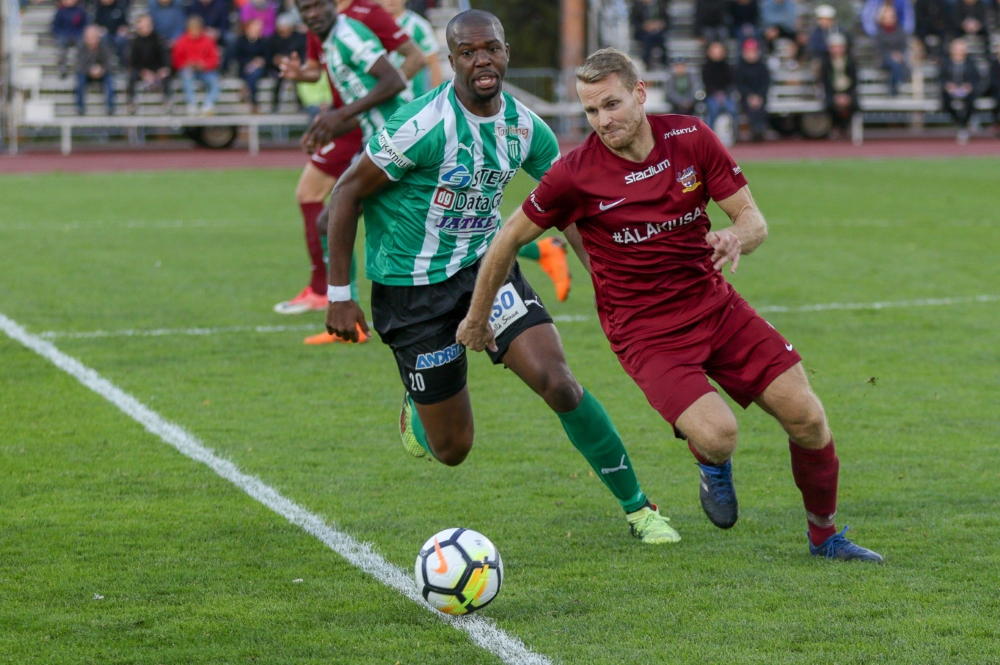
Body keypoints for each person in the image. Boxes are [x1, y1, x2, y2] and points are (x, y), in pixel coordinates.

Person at [456, 47, 884, 563]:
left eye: (611, 104)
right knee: (721, 435)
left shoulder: (690, 138)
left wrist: (736, 237)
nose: (602, 121)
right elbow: (507, 239)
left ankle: (825, 538)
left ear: (640, 94)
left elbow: (753, 220)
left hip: (716, 307)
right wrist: (477, 319)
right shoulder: (574, 174)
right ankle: (711, 460)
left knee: (808, 417)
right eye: (590, 111)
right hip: (645, 332)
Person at [322, 10, 679, 545]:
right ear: (452, 61)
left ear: (506, 53)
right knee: (453, 449)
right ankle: (418, 407)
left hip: (485, 272)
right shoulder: (421, 125)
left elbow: (571, 206)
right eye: (467, 53)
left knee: (559, 382)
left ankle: (640, 509)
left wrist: (608, 281)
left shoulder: (526, 128)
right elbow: (347, 191)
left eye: (490, 48)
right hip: (411, 291)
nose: (481, 60)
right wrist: (339, 294)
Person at [270, 0, 424, 330]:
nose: (313, 14)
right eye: (305, 9)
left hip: (396, 140)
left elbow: (393, 81)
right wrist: (327, 129)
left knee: (335, 218)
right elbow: (366, 103)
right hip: (380, 139)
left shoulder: (348, 34)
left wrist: (340, 114)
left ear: (331, 4)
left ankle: (344, 313)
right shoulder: (328, 43)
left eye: (318, 6)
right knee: (423, 222)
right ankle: (347, 315)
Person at [376, 0, 443, 100]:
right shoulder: (371, 25)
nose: (391, 1)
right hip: (381, 100)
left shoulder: (419, 25)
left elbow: (433, 63)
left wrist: (437, 99)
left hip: (413, 99)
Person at [172, 15, 222, 115]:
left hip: (205, 71)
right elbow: (176, 61)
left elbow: (215, 60)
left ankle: (208, 105)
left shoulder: (208, 41)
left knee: (216, 81)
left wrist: (204, 65)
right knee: (186, 75)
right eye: (192, 29)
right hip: (188, 70)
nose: (194, 32)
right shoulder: (181, 41)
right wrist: (187, 64)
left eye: (196, 29)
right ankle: (192, 104)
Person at [127, 13, 173, 113]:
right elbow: (133, 62)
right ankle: (131, 102)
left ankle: (167, 101)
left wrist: (164, 69)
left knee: (166, 76)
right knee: (132, 76)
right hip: (142, 70)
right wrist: (143, 72)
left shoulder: (158, 39)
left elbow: (165, 56)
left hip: (157, 68)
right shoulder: (135, 42)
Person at [940, 37, 982, 144]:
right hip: (950, 92)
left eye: (961, 49)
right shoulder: (946, 62)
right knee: (946, 102)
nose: (958, 51)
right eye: (956, 49)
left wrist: (968, 86)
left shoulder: (971, 63)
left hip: (966, 92)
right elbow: (941, 78)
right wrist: (948, 86)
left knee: (970, 102)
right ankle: (960, 124)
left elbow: (976, 78)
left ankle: (963, 126)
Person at [820, 33, 858, 136]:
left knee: (854, 104)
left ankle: (846, 126)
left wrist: (847, 95)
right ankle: (836, 126)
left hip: (848, 92)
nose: (837, 49)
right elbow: (825, 82)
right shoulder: (826, 62)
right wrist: (835, 95)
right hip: (832, 92)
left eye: (839, 47)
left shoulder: (850, 61)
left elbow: (854, 81)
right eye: (834, 47)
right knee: (829, 104)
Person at [268, 13, 307, 111]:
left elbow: (303, 54)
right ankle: (275, 104)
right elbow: (268, 55)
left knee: (298, 80)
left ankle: (301, 104)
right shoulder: (273, 39)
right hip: (278, 68)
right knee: (278, 79)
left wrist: (294, 61)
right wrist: (275, 60)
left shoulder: (298, 38)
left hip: (296, 66)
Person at [701, 40, 738, 143]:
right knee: (713, 110)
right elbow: (707, 84)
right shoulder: (706, 67)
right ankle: (709, 136)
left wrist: (723, 94)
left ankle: (735, 135)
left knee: (733, 110)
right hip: (711, 95)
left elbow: (730, 83)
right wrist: (715, 94)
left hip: (726, 95)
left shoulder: (727, 67)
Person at [75, 24, 115, 115]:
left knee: (110, 81)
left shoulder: (104, 46)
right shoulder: (81, 47)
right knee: (80, 81)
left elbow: (109, 63)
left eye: (94, 37)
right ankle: (80, 107)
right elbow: (79, 65)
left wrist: (101, 69)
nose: (91, 40)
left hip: (102, 72)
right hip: (86, 73)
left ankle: (110, 107)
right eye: (89, 38)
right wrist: (90, 70)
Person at [734, 38, 769, 141]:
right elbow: (739, 85)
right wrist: (749, 96)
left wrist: (759, 96)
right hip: (745, 97)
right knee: (750, 108)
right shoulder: (739, 68)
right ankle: (755, 129)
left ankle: (760, 128)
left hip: (761, 96)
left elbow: (766, 83)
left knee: (760, 107)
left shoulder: (762, 67)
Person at [235, 18, 271, 112]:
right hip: (244, 67)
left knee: (254, 75)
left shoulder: (263, 42)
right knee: (251, 75)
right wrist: (249, 63)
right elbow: (237, 56)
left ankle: (245, 90)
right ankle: (255, 104)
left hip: (259, 69)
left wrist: (260, 61)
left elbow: (267, 57)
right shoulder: (241, 41)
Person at [875, 4, 911, 96]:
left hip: (899, 58)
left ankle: (894, 89)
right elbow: (880, 49)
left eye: (891, 16)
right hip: (884, 59)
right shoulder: (879, 33)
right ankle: (897, 86)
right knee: (894, 64)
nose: (889, 19)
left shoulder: (900, 31)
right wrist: (892, 55)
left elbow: (904, 46)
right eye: (887, 17)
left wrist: (899, 54)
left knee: (896, 65)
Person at [51, 0, 88, 78]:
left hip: (77, 36)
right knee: (61, 43)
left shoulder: (80, 11)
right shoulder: (60, 12)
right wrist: (63, 34)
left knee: (82, 43)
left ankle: (80, 66)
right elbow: (55, 27)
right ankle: (62, 66)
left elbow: (84, 26)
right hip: (64, 36)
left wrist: (77, 34)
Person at [630, 0, 670, 69]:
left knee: (662, 40)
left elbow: (666, 20)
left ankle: (664, 62)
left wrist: (660, 25)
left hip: (659, 31)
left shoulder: (660, 5)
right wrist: (644, 26)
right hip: (644, 32)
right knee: (647, 41)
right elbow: (634, 22)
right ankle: (647, 63)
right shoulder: (637, 7)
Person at [93, 0, 129, 67]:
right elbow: (96, 25)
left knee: (120, 40)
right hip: (105, 35)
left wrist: (122, 29)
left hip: (117, 34)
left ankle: (121, 62)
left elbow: (124, 24)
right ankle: (107, 61)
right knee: (103, 38)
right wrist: (100, 29)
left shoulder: (119, 8)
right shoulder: (99, 10)